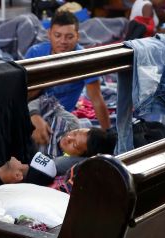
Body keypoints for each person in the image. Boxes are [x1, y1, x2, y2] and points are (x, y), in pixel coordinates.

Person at [25, 11, 111, 148]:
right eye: (57, 35)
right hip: (29, 110)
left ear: (78, 36)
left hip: (61, 116)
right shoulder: (35, 54)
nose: (63, 42)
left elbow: (97, 99)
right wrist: (32, 117)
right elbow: (21, 95)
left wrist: (109, 136)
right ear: (49, 34)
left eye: (69, 36)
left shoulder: (85, 60)